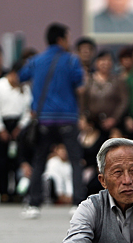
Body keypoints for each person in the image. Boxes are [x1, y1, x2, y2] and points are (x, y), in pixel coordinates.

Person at [19, 23, 85, 219]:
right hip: (68, 118)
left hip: (44, 119)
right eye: (67, 38)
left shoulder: (35, 61)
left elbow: (22, 76)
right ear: (60, 40)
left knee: (39, 160)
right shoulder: (72, 61)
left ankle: (34, 204)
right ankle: (77, 204)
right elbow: (80, 86)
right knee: (75, 161)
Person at [0, 60, 32, 203]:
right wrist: (0, 128)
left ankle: (17, 192)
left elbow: (28, 110)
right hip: (2, 126)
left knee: (18, 161)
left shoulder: (25, 88)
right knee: (2, 161)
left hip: (19, 127)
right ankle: (3, 192)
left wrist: (21, 126)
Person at [79, 49, 128, 135]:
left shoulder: (118, 80)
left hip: (113, 123)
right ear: (96, 62)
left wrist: (114, 118)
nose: (105, 63)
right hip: (92, 123)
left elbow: (123, 101)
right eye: (102, 60)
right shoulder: (89, 80)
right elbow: (83, 100)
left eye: (108, 60)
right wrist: (83, 118)